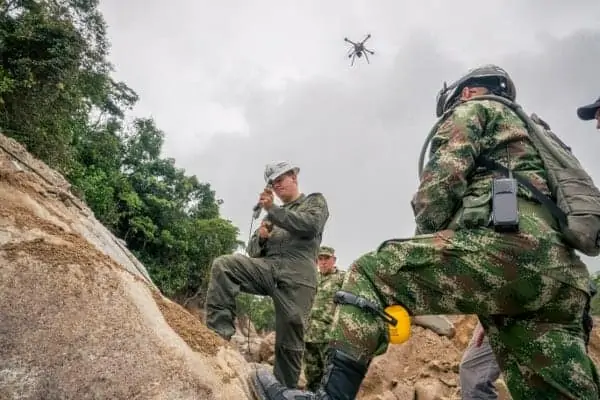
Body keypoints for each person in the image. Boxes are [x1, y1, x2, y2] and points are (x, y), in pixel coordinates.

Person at [248, 65, 600, 400]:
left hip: (507, 251)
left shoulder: (477, 108)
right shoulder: (535, 139)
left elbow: (439, 187)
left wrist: (423, 247)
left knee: (370, 272)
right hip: (564, 280)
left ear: (469, 91)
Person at [204, 161, 329, 389]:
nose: (277, 185)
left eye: (280, 179)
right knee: (224, 266)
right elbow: (253, 252)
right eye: (273, 183)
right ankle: (217, 336)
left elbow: (310, 226)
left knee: (291, 331)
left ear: (294, 177)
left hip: (298, 276)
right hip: (268, 268)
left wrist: (273, 209)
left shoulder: (314, 201)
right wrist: (261, 237)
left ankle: (285, 389)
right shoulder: (271, 216)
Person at [303, 246, 346, 391]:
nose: (323, 262)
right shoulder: (311, 278)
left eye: (326, 258)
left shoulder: (342, 278)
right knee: (311, 374)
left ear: (333, 260)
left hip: (329, 335)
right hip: (309, 335)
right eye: (320, 259)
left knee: (329, 374)